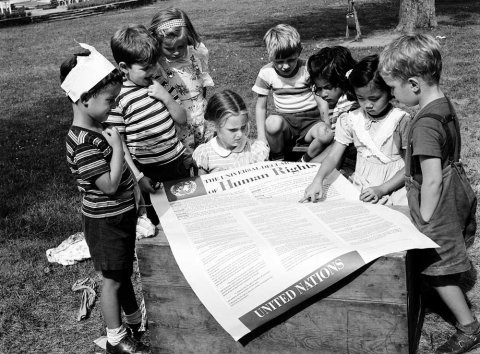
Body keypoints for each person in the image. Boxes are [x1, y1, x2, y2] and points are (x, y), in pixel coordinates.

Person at [380, 34, 478, 354]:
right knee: (438, 256)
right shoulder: (443, 104)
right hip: (455, 187)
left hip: (437, 199)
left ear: (413, 84)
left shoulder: (422, 124)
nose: (393, 96)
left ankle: (468, 327)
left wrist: (424, 217)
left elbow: (432, 179)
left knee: (439, 267)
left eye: (394, 88)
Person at [61, 43, 148, 354]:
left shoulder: (99, 129)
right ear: (84, 98)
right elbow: (109, 185)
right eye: (109, 101)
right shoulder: (82, 142)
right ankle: (116, 338)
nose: (113, 107)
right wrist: (118, 150)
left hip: (120, 215)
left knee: (122, 272)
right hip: (105, 221)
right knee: (110, 279)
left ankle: (134, 321)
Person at [301, 54, 410, 206]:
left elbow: (410, 165)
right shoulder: (350, 120)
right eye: (361, 98)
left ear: (389, 91)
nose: (368, 105)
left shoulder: (400, 121)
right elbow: (333, 156)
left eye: (374, 99)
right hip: (361, 185)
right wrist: (317, 180)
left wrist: (382, 189)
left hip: (395, 186)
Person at [108, 24, 189, 226]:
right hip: (149, 170)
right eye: (145, 67)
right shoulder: (118, 98)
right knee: (159, 221)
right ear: (124, 68)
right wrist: (138, 176)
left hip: (177, 161)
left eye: (154, 64)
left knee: (188, 213)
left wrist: (166, 98)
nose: (153, 70)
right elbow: (120, 143)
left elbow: (182, 119)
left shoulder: (158, 83)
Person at [252, 24, 329, 161]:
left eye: (291, 60)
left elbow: (321, 101)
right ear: (270, 56)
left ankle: (306, 159)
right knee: (272, 123)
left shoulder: (307, 68)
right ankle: (278, 158)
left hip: (311, 122)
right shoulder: (266, 72)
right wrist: (261, 137)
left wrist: (326, 122)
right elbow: (261, 106)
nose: (285, 66)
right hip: (286, 123)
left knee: (325, 133)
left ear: (299, 51)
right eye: (279, 61)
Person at [149, 7, 215, 159]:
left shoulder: (197, 54)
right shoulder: (157, 64)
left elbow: (201, 83)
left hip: (201, 117)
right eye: (169, 48)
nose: (176, 52)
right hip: (176, 124)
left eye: (181, 46)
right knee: (184, 163)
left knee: (205, 157)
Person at [302, 46, 359, 164]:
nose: (323, 94)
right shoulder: (338, 100)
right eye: (318, 89)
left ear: (342, 80)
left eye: (327, 87)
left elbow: (338, 150)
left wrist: (313, 165)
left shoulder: (347, 105)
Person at [192, 90, 269, 174]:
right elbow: (202, 185)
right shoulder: (205, 154)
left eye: (243, 127)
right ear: (213, 125)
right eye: (233, 130)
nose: (240, 134)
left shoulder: (253, 150)